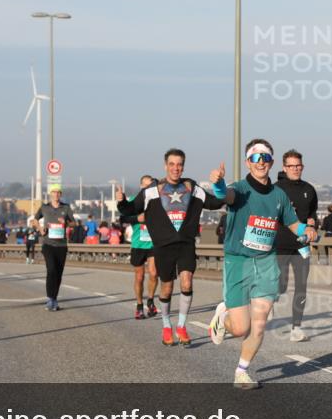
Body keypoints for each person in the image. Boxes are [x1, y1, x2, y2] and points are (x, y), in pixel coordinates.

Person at [208, 139, 317, 389]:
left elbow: (293, 224)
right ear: (248, 162)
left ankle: (241, 372)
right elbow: (225, 195)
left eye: (265, 158)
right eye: (255, 158)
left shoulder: (279, 195)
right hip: (239, 261)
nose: (261, 162)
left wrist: (307, 230)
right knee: (240, 328)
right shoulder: (240, 189)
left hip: (267, 262)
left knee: (258, 324)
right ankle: (222, 318)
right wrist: (218, 183)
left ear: (271, 162)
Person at [117, 148, 224, 346]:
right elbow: (130, 210)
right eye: (172, 164)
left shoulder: (192, 188)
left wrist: (219, 184)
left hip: (186, 244)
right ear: (165, 166)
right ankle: (166, 326)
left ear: (183, 166)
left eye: (180, 164)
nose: (176, 168)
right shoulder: (151, 191)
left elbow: (215, 202)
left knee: (187, 283)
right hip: (163, 246)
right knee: (166, 288)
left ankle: (181, 326)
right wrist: (121, 201)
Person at [275, 150, 318, 342]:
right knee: (281, 286)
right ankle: (271, 300)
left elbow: (312, 214)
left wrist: (312, 225)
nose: (295, 169)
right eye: (291, 166)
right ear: (284, 167)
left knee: (302, 285)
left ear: (302, 166)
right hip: (280, 244)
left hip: (302, 246)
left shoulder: (309, 189)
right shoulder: (276, 189)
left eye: (298, 165)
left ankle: (296, 328)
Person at [35, 184, 75, 311]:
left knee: (58, 273)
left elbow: (74, 223)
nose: (56, 194)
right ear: (50, 194)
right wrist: (40, 228)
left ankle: (54, 299)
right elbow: (35, 220)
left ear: (60, 194)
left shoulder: (66, 207)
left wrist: (66, 223)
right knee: (51, 270)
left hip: (61, 245)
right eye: (54, 192)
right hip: (48, 244)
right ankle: (50, 299)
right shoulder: (44, 207)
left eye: (58, 192)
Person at [126, 175, 159, 320]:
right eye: (145, 186)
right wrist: (137, 218)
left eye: (150, 186)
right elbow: (124, 218)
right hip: (138, 244)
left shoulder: (157, 201)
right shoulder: (134, 201)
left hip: (153, 243)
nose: (148, 189)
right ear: (141, 187)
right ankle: (139, 306)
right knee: (139, 277)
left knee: (154, 273)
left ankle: (150, 301)